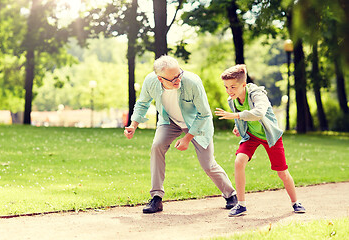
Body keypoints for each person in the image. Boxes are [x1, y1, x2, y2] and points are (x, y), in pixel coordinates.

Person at [124, 55, 237, 214]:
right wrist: (133, 125)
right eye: (173, 79)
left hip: (196, 123)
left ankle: (231, 194)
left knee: (208, 164)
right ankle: (156, 197)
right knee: (157, 146)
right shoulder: (151, 81)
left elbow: (204, 114)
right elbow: (142, 103)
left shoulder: (192, 82)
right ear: (160, 79)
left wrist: (187, 138)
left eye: (179, 75)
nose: (178, 80)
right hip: (169, 121)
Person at [214, 64, 306, 217]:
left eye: (233, 87)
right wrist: (238, 126)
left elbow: (258, 113)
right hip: (251, 136)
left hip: (270, 136)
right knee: (239, 161)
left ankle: (295, 202)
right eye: (226, 87)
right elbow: (244, 117)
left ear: (244, 84)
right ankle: (241, 204)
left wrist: (236, 117)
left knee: (282, 173)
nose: (229, 91)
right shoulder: (233, 99)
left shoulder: (257, 94)